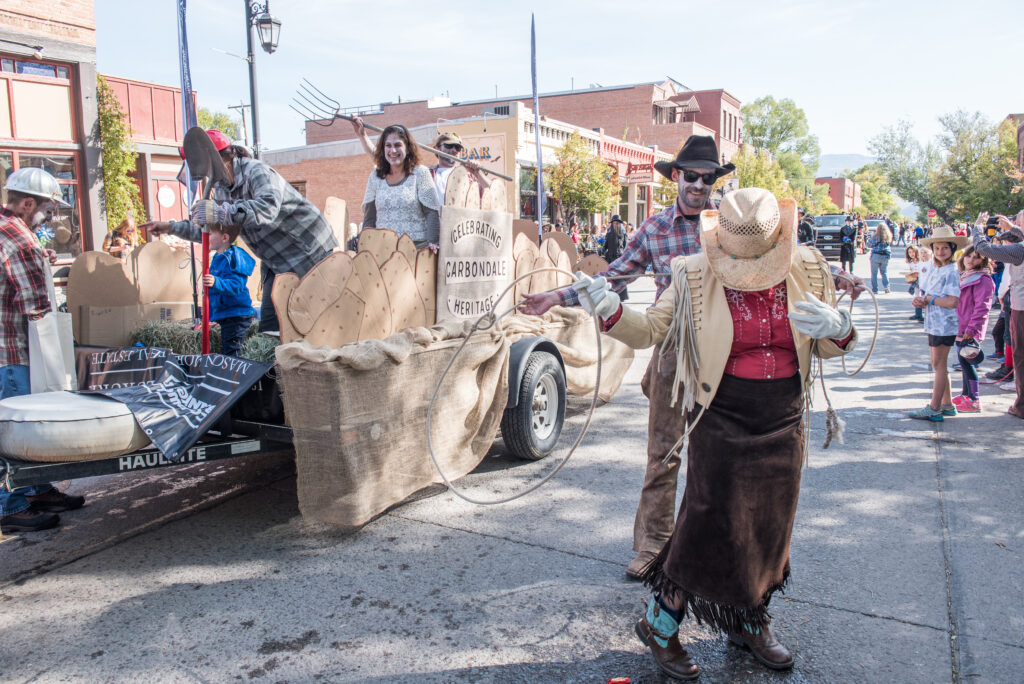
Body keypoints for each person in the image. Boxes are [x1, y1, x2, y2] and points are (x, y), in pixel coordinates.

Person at [573, 188, 856, 676]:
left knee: (769, 525)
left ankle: (748, 618)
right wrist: (610, 311)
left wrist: (839, 326)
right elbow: (652, 329)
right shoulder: (692, 271)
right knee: (707, 523)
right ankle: (660, 622)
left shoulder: (809, 267)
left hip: (783, 412)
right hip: (721, 413)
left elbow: (832, 349)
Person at [520, 135, 734, 579]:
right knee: (663, 451)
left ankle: (709, 548)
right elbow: (614, 279)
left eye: (707, 177)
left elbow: (773, 260)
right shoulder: (655, 229)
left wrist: (832, 278)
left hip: (724, 350)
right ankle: (652, 546)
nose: (699, 184)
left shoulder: (729, 224)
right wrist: (556, 298)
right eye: (691, 175)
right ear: (676, 177)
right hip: (672, 347)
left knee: (718, 454)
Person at [142, 129, 338, 333]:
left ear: (219, 160)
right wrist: (172, 227)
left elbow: (267, 208)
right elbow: (212, 231)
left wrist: (219, 212)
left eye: (208, 168)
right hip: (277, 260)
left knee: (311, 323)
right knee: (270, 327)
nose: (208, 175)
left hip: (309, 249)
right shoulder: (221, 189)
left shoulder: (256, 171)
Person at [0, 167, 85, 532]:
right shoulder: (18, 239)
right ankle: (12, 504)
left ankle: (36, 488)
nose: (50, 216)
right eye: (48, 209)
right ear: (28, 202)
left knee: (25, 429)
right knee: (22, 429)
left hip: (10, 348)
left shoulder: (11, 233)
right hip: (17, 352)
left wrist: (40, 257)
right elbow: (36, 305)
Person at [909, 226, 967, 421]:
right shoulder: (938, 268)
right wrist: (922, 300)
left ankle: (934, 406)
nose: (940, 252)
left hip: (945, 324)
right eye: (937, 248)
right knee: (938, 364)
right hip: (935, 322)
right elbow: (930, 295)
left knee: (939, 364)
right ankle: (947, 404)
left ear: (952, 249)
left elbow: (952, 301)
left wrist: (931, 300)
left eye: (944, 248)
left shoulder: (951, 271)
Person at [970, 211, 1024, 418]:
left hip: (1021, 307)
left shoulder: (1018, 250)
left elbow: (983, 248)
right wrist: (1013, 228)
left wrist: (977, 228)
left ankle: (1021, 406)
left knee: (1020, 356)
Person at [357, 124, 440, 249]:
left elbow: (431, 212)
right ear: (383, 149)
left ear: (407, 148)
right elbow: (369, 217)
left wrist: (433, 243)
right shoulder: (375, 177)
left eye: (397, 145)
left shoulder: (420, 173)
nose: (393, 151)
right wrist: (366, 248)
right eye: (388, 145)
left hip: (417, 249)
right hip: (383, 251)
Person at [202, 222, 256, 357]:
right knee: (226, 348)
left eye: (210, 234)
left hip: (235, 316)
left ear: (224, 238)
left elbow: (236, 286)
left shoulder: (233, 258)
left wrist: (216, 282)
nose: (205, 237)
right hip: (226, 314)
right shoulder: (218, 257)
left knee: (232, 351)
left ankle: (235, 376)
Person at [951, 245, 995, 413]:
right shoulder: (965, 275)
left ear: (983, 260)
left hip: (969, 329)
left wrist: (972, 329)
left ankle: (974, 399)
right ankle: (965, 394)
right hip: (960, 325)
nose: (970, 260)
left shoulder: (983, 279)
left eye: (976, 257)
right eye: (968, 256)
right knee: (962, 362)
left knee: (968, 364)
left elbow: (982, 308)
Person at [868, 221, 892, 294]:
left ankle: (875, 290)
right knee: (884, 272)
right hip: (885, 255)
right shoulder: (888, 236)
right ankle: (886, 287)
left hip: (875, 255)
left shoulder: (875, 236)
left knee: (874, 274)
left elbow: (869, 245)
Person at [904, 244, 926, 321]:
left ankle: (925, 315)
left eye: (913, 252)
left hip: (923, 281)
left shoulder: (921, 261)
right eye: (909, 252)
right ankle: (918, 314)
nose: (911, 254)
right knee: (917, 296)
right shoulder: (911, 262)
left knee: (923, 296)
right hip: (916, 281)